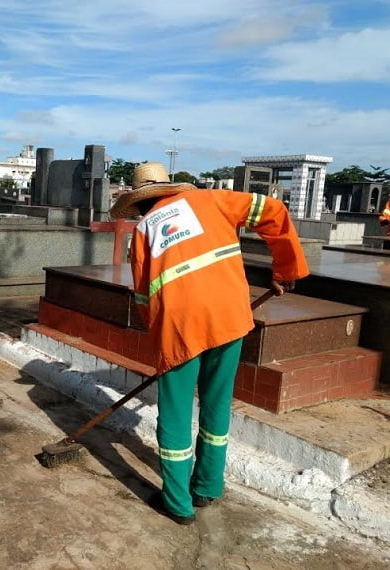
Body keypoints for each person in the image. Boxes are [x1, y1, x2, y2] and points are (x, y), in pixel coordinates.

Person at [109, 162, 309, 525]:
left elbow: (142, 297)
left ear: (140, 203)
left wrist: (161, 343)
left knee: (175, 415)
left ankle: (178, 504)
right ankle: (207, 488)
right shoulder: (213, 200)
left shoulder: (142, 233)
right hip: (229, 319)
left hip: (179, 329)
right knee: (216, 407)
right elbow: (273, 211)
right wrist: (286, 270)